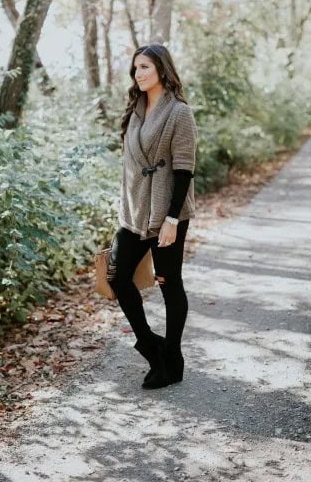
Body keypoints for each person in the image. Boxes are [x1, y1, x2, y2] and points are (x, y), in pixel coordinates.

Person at [109, 43, 198, 389]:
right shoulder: (136, 109)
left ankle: (172, 357)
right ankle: (150, 345)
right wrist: (124, 207)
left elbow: (183, 169)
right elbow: (130, 166)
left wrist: (172, 220)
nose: (139, 74)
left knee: (168, 282)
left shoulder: (179, 113)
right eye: (135, 68)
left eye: (144, 66)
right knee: (117, 277)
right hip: (133, 211)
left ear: (161, 68)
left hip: (167, 211)